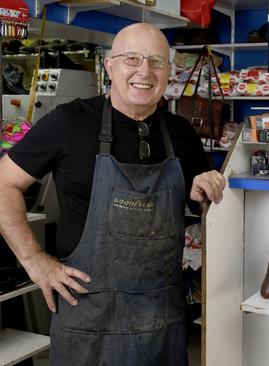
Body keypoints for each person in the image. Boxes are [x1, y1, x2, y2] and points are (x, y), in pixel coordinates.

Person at [0, 23, 225, 365]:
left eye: (156, 61)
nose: (144, 71)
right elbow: (4, 183)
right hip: (88, 322)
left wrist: (208, 192)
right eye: (131, 59)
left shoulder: (181, 134)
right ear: (109, 66)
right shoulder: (68, 122)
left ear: (168, 71)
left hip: (162, 325)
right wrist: (34, 261)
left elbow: (203, 203)